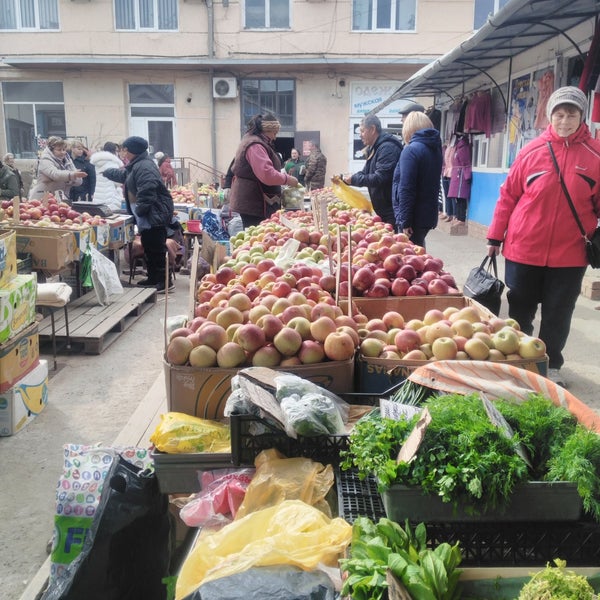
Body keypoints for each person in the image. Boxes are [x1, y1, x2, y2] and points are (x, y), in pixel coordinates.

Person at [486, 86, 600, 388]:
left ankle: (551, 364)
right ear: (550, 116)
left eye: (571, 115)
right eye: (559, 114)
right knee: (520, 309)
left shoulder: (596, 155)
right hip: (524, 248)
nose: (565, 121)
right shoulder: (531, 151)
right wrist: (495, 237)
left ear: (582, 116)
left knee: (558, 313)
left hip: (570, 253)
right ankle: (518, 361)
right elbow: (508, 196)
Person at [103, 136, 175, 293]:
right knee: (149, 247)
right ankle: (153, 278)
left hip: (153, 214)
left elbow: (147, 190)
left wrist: (140, 210)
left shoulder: (144, 166)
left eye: (125, 150)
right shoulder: (137, 164)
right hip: (148, 215)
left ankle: (164, 281)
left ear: (133, 151)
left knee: (156, 248)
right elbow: (125, 176)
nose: (123, 153)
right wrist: (107, 172)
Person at [229, 113, 298, 228]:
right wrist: (288, 179)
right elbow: (267, 174)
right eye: (274, 133)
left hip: (253, 201)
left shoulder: (253, 141)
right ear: (266, 130)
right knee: (257, 234)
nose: (275, 137)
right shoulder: (255, 145)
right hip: (254, 202)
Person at [391, 111, 442, 248]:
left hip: (413, 217)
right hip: (427, 215)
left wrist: (405, 221)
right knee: (419, 250)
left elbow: (406, 187)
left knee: (409, 255)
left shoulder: (411, 150)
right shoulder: (434, 150)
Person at [343, 115, 402, 226]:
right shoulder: (374, 147)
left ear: (372, 129)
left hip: (391, 210)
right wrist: (345, 179)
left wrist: (354, 179)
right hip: (384, 209)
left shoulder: (387, 148)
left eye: (362, 131)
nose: (360, 135)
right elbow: (365, 172)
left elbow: (380, 178)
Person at [90, 142, 126, 211]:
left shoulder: (98, 162)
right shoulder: (113, 163)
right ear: (114, 151)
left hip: (99, 193)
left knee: (100, 214)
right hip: (111, 194)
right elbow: (117, 181)